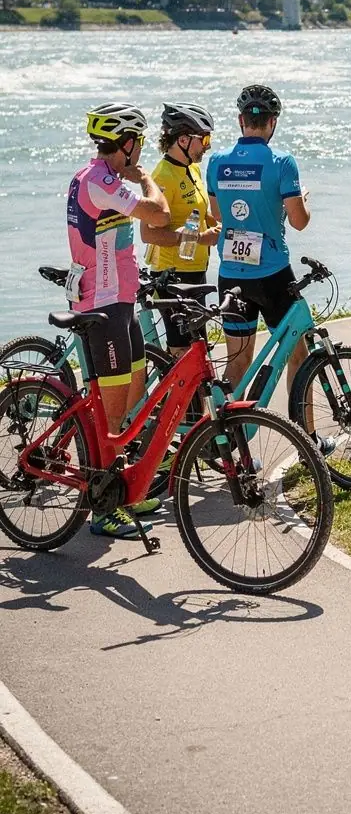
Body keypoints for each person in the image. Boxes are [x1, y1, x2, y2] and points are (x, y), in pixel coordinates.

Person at [67, 102, 170, 538]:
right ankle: (103, 509)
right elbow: (160, 214)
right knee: (110, 420)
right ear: (127, 143)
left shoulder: (101, 179)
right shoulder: (100, 181)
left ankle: (121, 486)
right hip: (103, 305)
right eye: (139, 142)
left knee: (133, 390)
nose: (141, 150)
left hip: (121, 302)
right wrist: (145, 177)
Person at [206, 83, 310, 394]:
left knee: (238, 362)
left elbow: (218, 215)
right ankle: (302, 425)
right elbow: (300, 222)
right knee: (299, 357)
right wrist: (300, 201)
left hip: (231, 274)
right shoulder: (282, 162)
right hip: (272, 275)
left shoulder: (217, 161)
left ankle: (225, 425)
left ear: (241, 120)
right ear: (272, 122)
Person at [140, 102, 221, 355]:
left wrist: (222, 224)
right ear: (183, 140)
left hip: (195, 271)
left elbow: (197, 213)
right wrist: (200, 238)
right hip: (172, 275)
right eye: (204, 139)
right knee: (182, 352)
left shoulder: (192, 168)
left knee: (199, 350)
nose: (207, 146)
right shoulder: (162, 176)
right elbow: (148, 234)